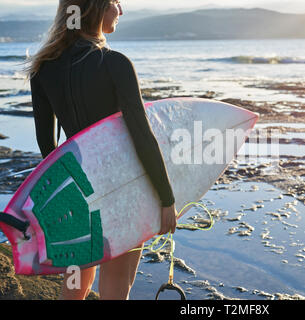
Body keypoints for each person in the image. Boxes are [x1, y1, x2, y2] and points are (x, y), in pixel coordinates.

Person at [24, 0, 177, 300]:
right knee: (116, 290)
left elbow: (47, 146)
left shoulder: (42, 69)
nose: (121, 11)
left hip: (78, 194)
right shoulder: (115, 63)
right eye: (117, 2)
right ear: (97, 7)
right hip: (125, 192)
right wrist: (166, 199)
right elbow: (142, 136)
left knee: (74, 286)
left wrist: (65, 198)